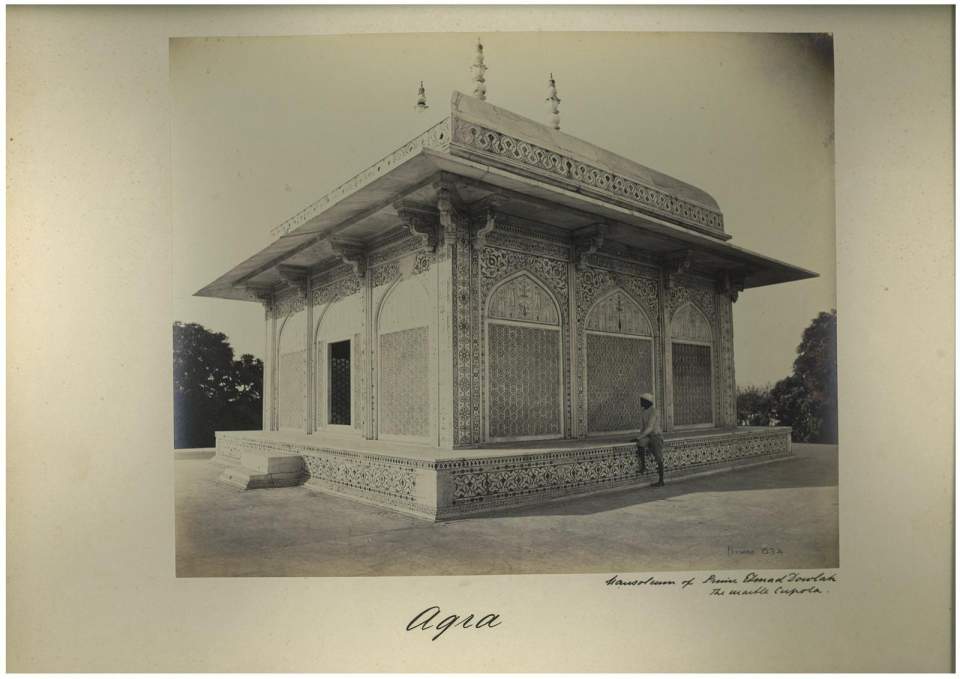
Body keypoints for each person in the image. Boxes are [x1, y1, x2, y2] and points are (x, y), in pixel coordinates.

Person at [634, 392, 665, 487]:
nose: (640, 403)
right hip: (648, 436)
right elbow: (643, 427)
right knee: (640, 444)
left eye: (642, 401)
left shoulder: (655, 411)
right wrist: (639, 437)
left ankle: (661, 480)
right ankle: (643, 467)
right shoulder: (644, 412)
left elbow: (650, 427)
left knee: (658, 458)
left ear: (647, 402)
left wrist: (639, 437)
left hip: (656, 436)